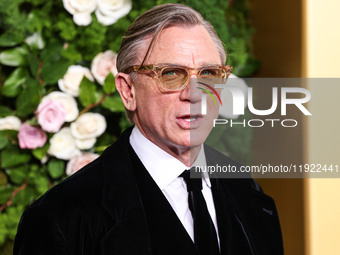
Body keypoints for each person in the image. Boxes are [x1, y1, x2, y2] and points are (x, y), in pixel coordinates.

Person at [14, 3, 283, 255]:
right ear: (127, 90)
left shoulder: (251, 195)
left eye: (209, 74)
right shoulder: (60, 219)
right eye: (170, 74)